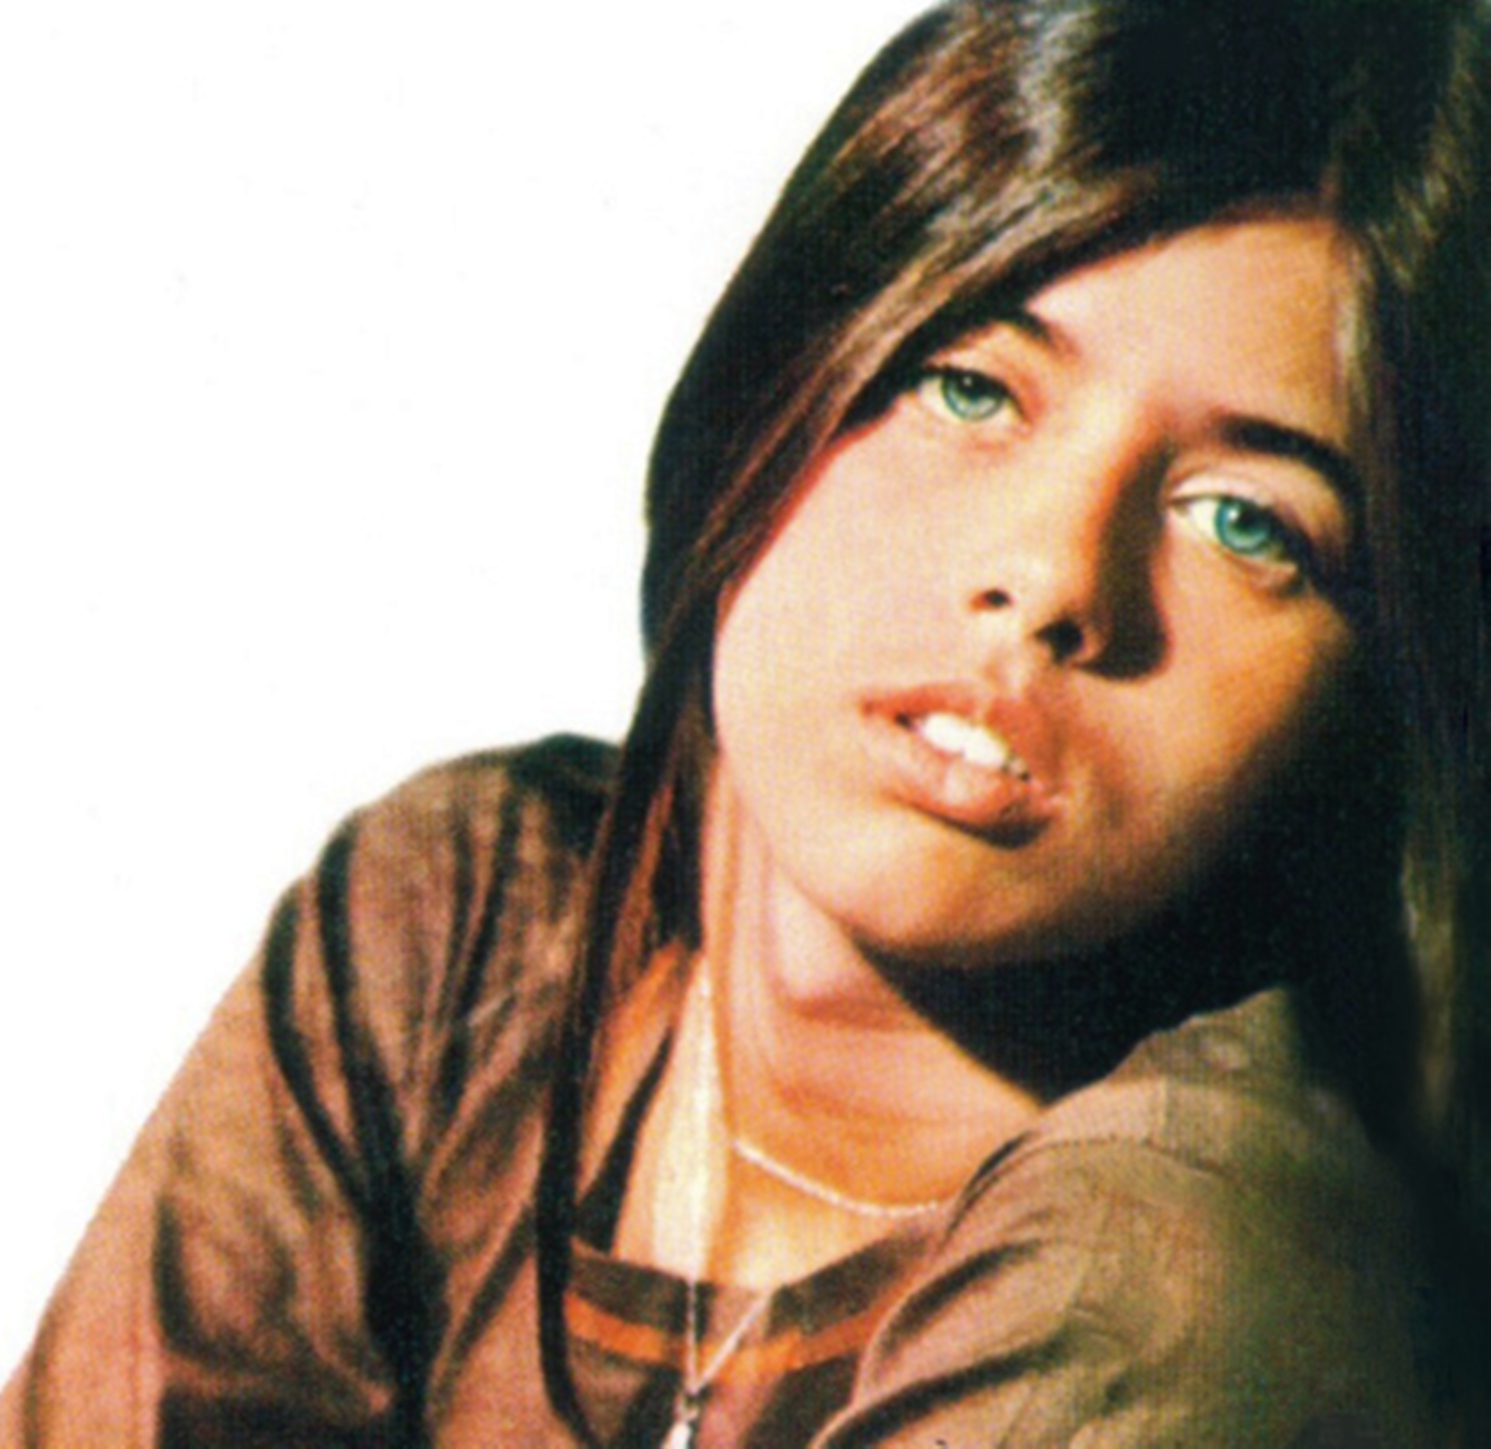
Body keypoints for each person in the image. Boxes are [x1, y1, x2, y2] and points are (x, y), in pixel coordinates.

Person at [4, 0, 1489, 1442]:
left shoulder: (1174, 1276)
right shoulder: (469, 926)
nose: (1051, 578)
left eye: (1245, 520)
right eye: (969, 388)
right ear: (774, 377)